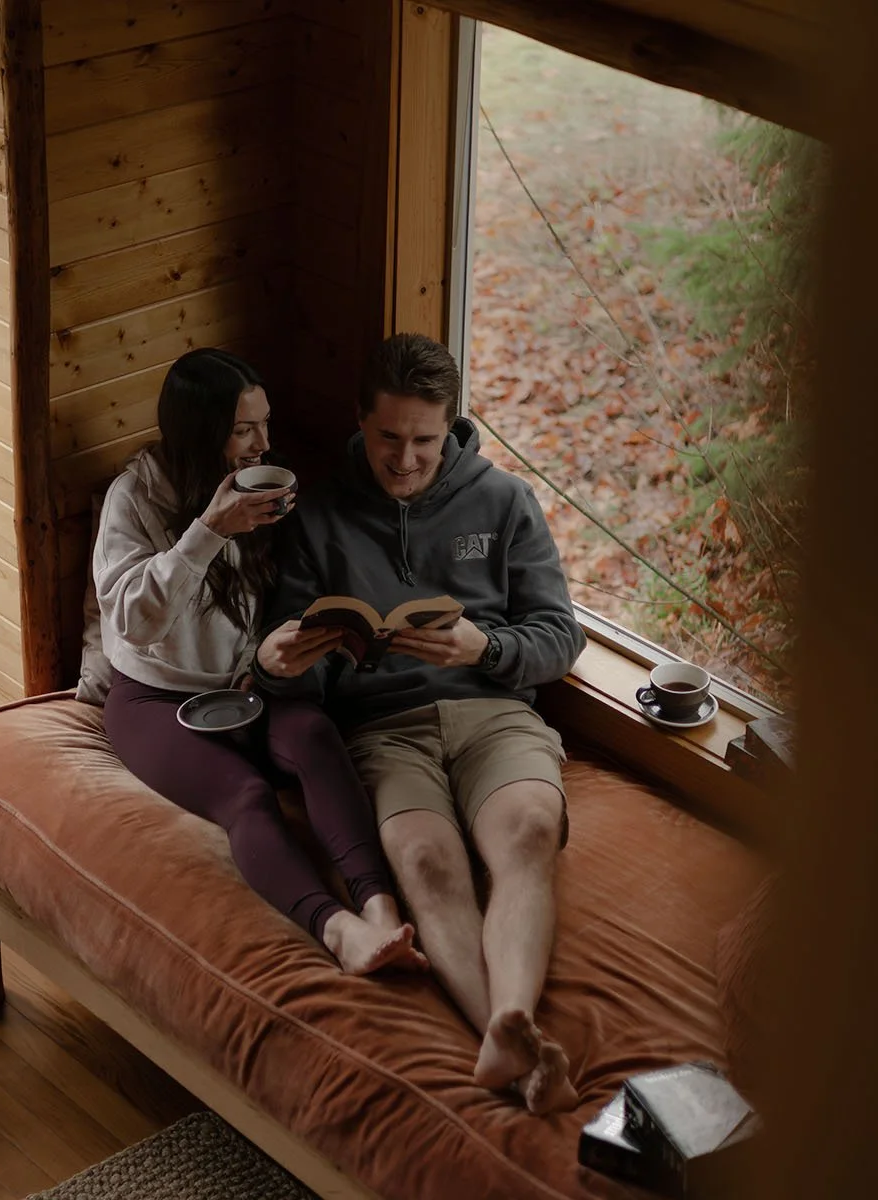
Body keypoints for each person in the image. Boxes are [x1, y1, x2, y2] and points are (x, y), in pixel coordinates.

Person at [254, 333, 589, 1114]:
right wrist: (291, 660)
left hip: (496, 714)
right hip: (384, 729)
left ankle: (510, 1027)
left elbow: (560, 638)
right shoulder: (321, 516)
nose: (406, 459)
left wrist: (487, 645)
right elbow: (287, 655)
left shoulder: (504, 502)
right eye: (388, 439)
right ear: (361, 423)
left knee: (529, 834)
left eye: (426, 441)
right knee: (427, 864)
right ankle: (504, 1032)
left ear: (453, 426)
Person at [93, 347, 425, 976]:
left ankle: (379, 910)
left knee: (317, 736)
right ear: (201, 430)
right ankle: (339, 931)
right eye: (244, 429)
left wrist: (271, 651)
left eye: (264, 424)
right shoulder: (133, 498)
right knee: (246, 795)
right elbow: (134, 621)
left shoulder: (263, 485)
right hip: (153, 699)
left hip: (244, 686)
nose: (262, 443)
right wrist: (209, 531)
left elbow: (264, 599)